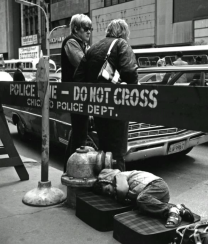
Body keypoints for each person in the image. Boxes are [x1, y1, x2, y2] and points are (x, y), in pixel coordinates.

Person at [76, 19, 138, 171]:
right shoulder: (121, 44)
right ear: (123, 32)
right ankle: (117, 187)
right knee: (117, 153)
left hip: (98, 107)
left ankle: (104, 181)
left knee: (104, 147)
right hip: (117, 106)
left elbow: (78, 77)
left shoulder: (93, 48)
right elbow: (130, 72)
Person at [93, 169, 195, 228]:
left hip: (156, 185)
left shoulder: (119, 176)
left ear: (108, 180)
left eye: (107, 189)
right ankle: (179, 209)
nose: (110, 193)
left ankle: (172, 211)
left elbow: (123, 190)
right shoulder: (117, 182)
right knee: (143, 208)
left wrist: (120, 199)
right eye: (107, 194)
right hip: (157, 194)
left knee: (141, 199)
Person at [61, 14, 92, 172]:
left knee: (79, 132)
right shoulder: (71, 42)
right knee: (80, 134)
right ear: (75, 29)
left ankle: (67, 168)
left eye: (90, 28)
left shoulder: (82, 44)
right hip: (75, 94)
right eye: (86, 28)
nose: (89, 32)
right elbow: (83, 64)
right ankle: (72, 171)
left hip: (81, 94)